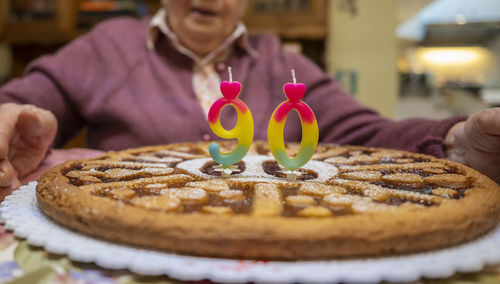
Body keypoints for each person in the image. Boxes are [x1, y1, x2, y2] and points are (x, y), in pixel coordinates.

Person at [0, 0, 499, 200]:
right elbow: (31, 100)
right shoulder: (108, 43)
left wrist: (453, 143)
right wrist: (14, 118)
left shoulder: (280, 58)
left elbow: (363, 132)